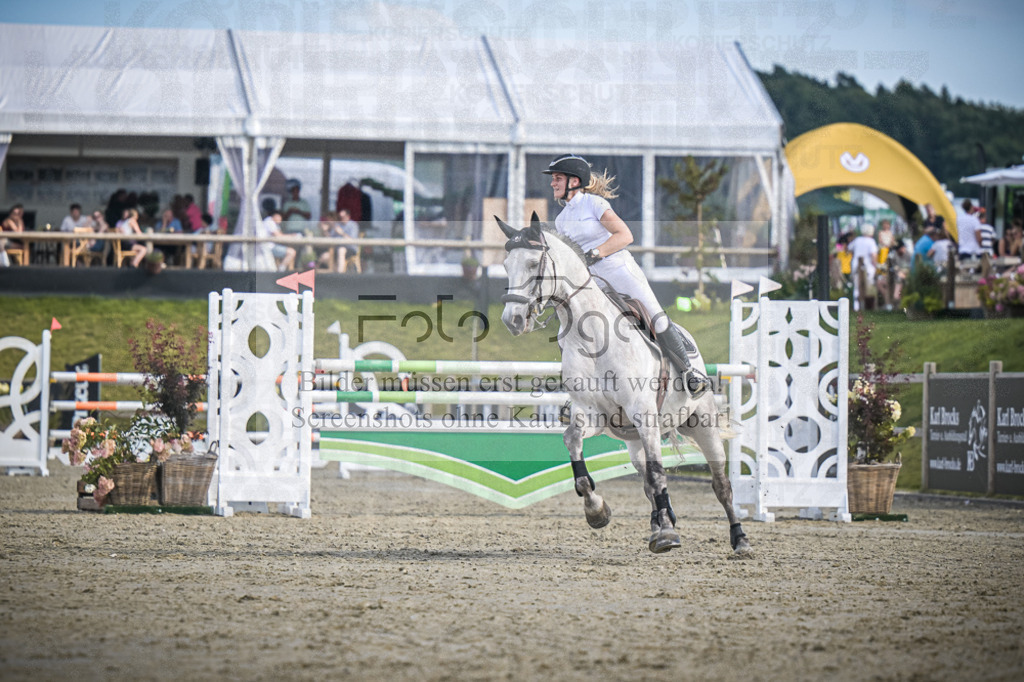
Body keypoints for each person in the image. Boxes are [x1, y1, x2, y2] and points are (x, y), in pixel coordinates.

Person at [541, 154, 710, 396]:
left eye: (557, 178)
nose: (552, 183)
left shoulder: (595, 204)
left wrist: (595, 253)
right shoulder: (561, 220)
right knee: (569, 330)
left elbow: (625, 235)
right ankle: (580, 389)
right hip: (592, 280)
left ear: (574, 181)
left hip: (618, 270)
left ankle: (689, 374)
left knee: (656, 317)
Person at [848, 223, 879, 311]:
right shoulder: (871, 241)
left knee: (857, 286)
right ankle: (868, 305)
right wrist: (876, 266)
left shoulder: (857, 240)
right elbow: (873, 255)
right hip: (868, 266)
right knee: (868, 285)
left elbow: (849, 249)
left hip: (856, 265)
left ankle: (856, 306)